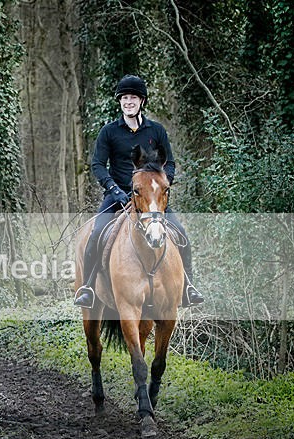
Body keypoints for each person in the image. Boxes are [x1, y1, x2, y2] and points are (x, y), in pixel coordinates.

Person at [74, 74, 205, 309]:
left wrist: (163, 186)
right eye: (124, 98)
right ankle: (88, 287)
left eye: (133, 97)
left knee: (181, 234)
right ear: (120, 102)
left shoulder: (156, 131)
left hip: (151, 199)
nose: (128, 102)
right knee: (96, 233)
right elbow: (97, 165)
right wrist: (114, 190)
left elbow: (171, 163)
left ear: (142, 101)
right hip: (118, 197)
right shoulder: (109, 132)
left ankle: (188, 287)